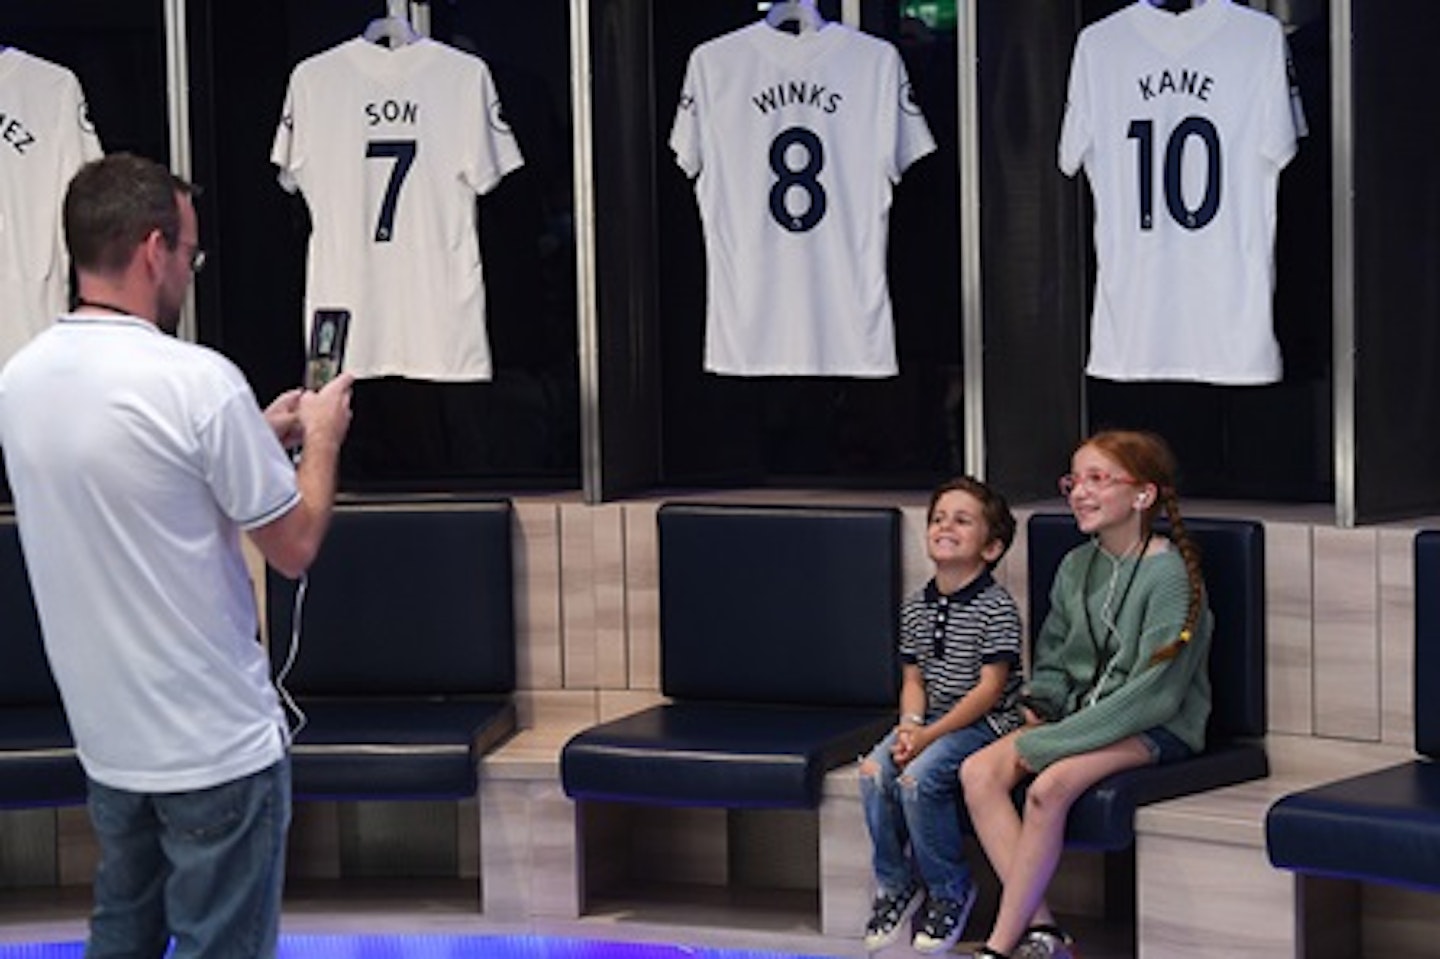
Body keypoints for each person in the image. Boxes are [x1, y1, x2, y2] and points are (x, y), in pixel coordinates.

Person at [0, 152, 354, 959]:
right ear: (153, 247)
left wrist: (251, 438)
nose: (189, 273)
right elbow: (294, 544)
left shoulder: (19, 382)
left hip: (113, 746)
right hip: (213, 750)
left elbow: (133, 476)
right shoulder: (196, 382)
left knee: (120, 937)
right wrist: (322, 441)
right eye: (189, 254)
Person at [959, 430, 1213, 959]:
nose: (1079, 492)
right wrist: (1038, 713)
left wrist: (1054, 743)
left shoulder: (1170, 576)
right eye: (1074, 480)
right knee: (977, 771)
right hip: (1080, 720)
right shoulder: (1077, 566)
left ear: (1143, 496)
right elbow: (1053, 662)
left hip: (1156, 728)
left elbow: (1154, 697)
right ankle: (1046, 932)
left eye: (1098, 479)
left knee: (1049, 787)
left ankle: (1000, 947)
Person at [860, 476, 1025, 954]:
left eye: (961, 519)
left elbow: (990, 690)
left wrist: (929, 737)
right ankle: (896, 885)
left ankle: (951, 889)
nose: (944, 526)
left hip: (985, 724)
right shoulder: (915, 607)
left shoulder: (997, 608)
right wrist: (910, 728)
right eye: (937, 518)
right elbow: (914, 681)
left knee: (919, 779)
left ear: (991, 547)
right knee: (874, 772)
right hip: (930, 721)